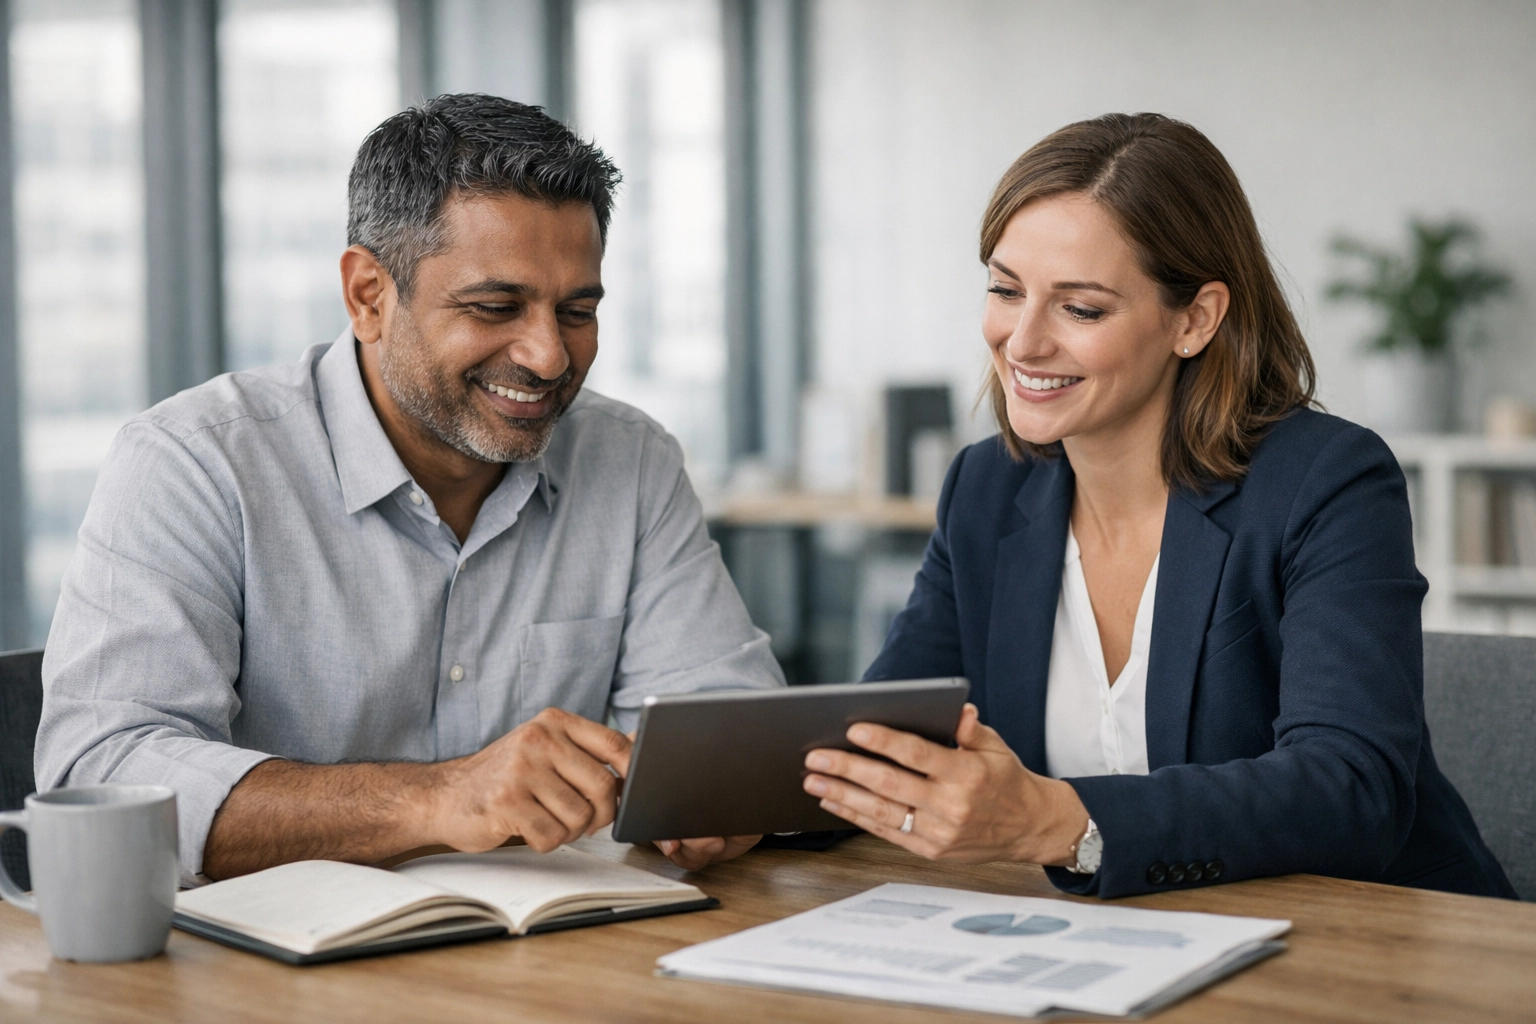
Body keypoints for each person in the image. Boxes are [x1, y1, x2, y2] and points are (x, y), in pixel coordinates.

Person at [35, 95, 780, 883]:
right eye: (496, 306)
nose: (550, 357)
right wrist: (436, 800)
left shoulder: (631, 460)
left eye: (578, 311)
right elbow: (102, 772)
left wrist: (721, 796)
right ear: (368, 296)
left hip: (549, 970)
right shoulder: (193, 462)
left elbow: (727, 728)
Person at [800, 112, 1515, 899]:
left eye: (1081, 309)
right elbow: (882, 744)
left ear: (1195, 319)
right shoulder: (986, 488)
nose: (1022, 342)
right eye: (1006, 290)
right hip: (1115, 945)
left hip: (1375, 944)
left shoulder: (1327, 481)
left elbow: (1351, 789)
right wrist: (727, 806)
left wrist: (1060, 821)